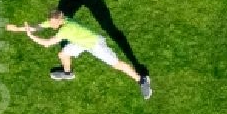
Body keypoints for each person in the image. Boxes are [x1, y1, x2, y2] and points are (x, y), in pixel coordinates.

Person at [8, 11, 151, 98]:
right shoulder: (63, 20)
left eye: (53, 23)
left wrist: (29, 36)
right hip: (81, 42)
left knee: (117, 65)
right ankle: (68, 73)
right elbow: (39, 26)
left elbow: (46, 43)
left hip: (95, 44)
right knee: (63, 54)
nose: (51, 25)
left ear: (59, 19)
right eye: (50, 22)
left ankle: (142, 80)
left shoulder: (65, 30)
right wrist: (18, 29)